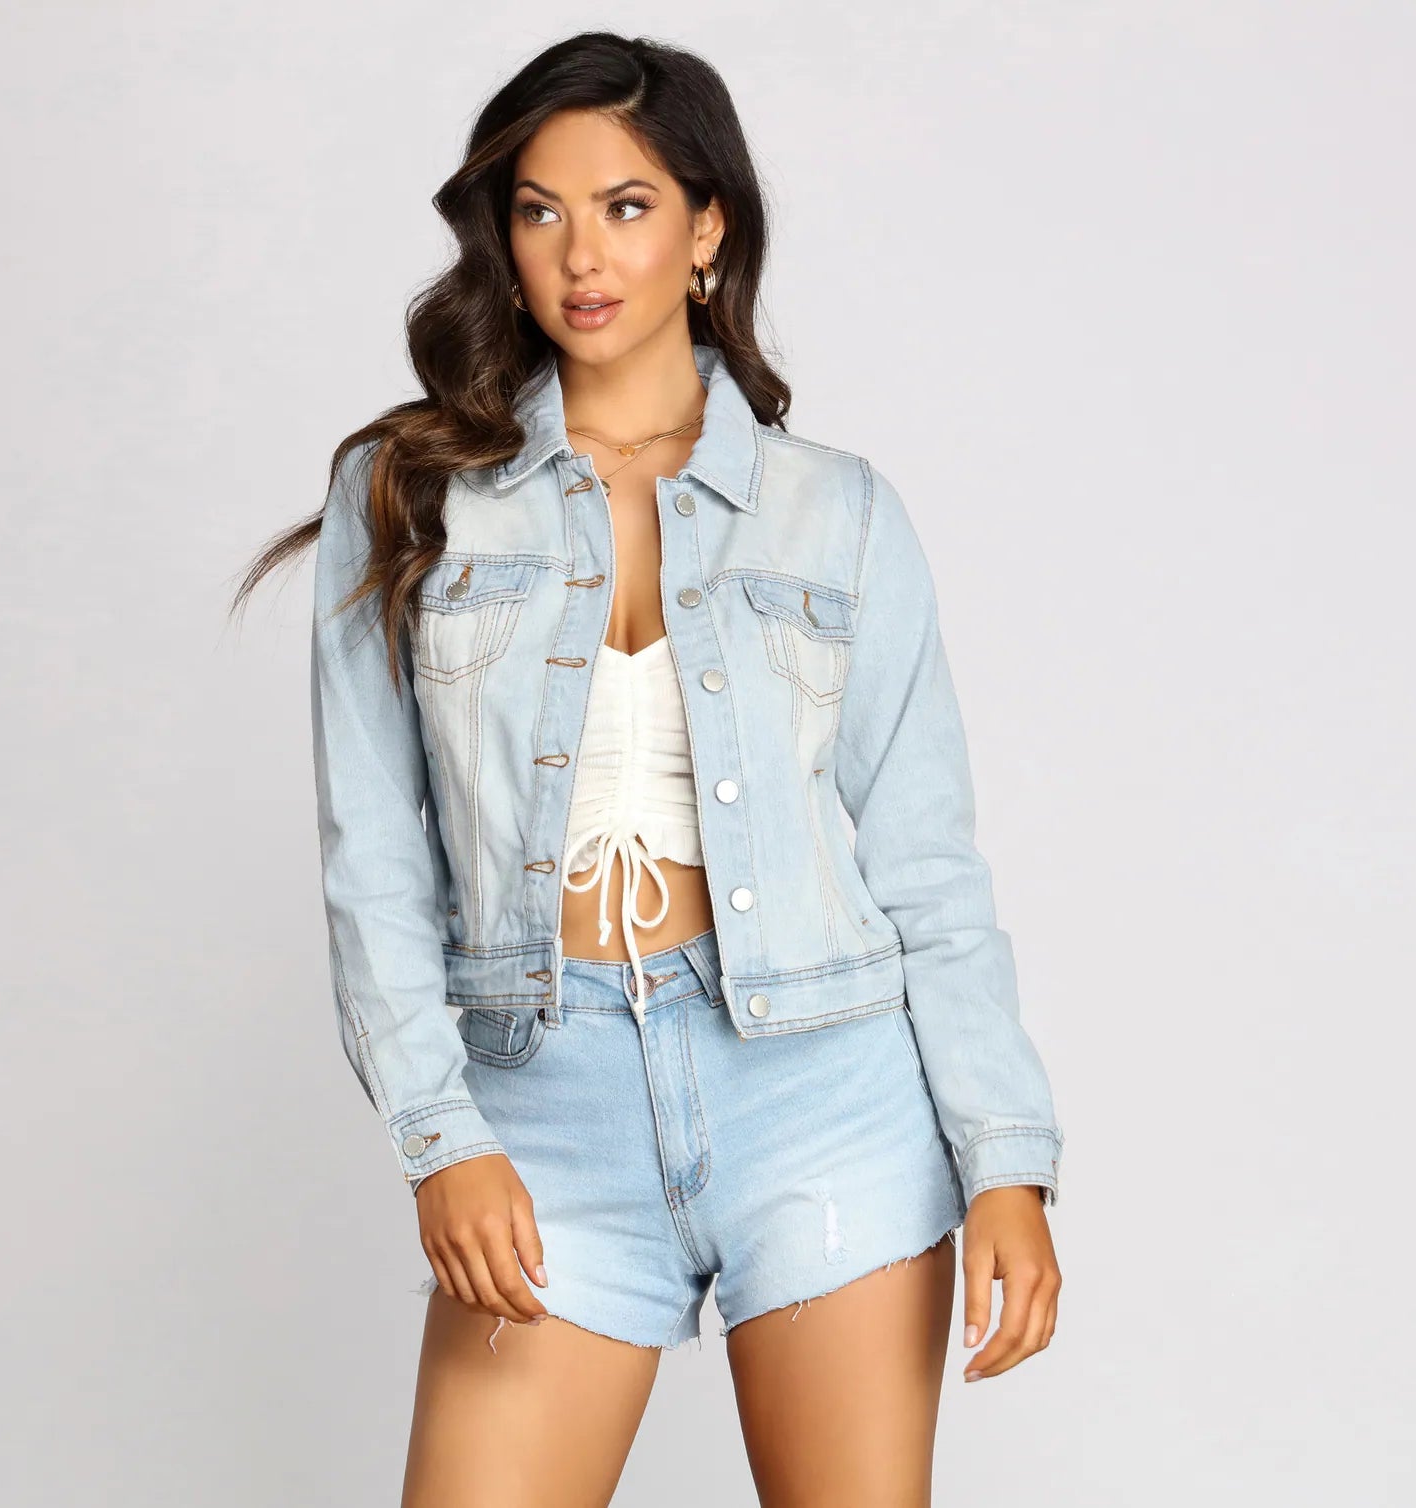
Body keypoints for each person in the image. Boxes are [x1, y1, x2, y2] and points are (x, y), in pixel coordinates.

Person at [236, 31, 1065, 1508]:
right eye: (539, 211)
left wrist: (1004, 1156)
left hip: (824, 1090)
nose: (581, 254)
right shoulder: (406, 494)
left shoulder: (839, 515)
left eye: (625, 206)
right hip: (544, 1107)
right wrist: (440, 1138)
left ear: (706, 230)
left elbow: (928, 865)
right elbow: (373, 860)